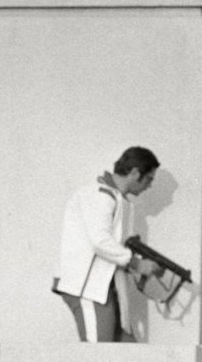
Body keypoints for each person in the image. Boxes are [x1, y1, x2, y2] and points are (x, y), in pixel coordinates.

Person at [53, 146, 161, 343]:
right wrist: (137, 264)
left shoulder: (115, 198)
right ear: (135, 173)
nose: (150, 186)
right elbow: (100, 241)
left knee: (126, 352)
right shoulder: (99, 195)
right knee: (100, 357)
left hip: (105, 289)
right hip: (88, 289)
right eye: (149, 179)